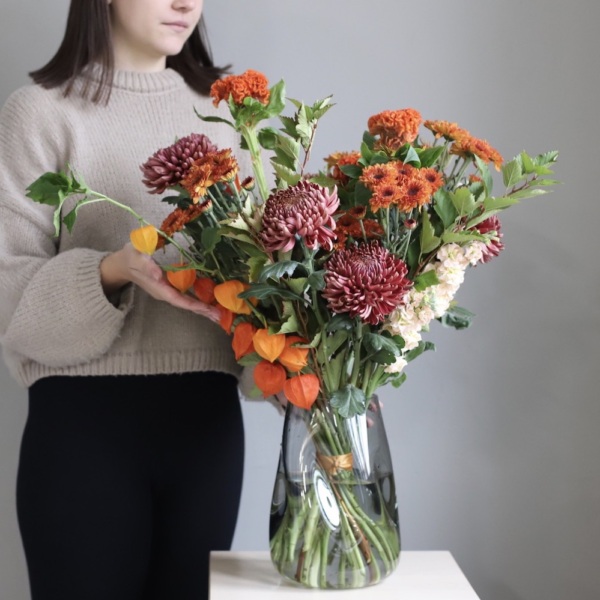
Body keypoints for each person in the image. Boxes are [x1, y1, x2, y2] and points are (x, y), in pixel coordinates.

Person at [0, 1, 250, 598]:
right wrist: (112, 271)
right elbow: (11, 306)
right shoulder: (41, 112)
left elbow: (264, 287)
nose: (186, 3)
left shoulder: (231, 115)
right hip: (83, 428)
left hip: (208, 429)